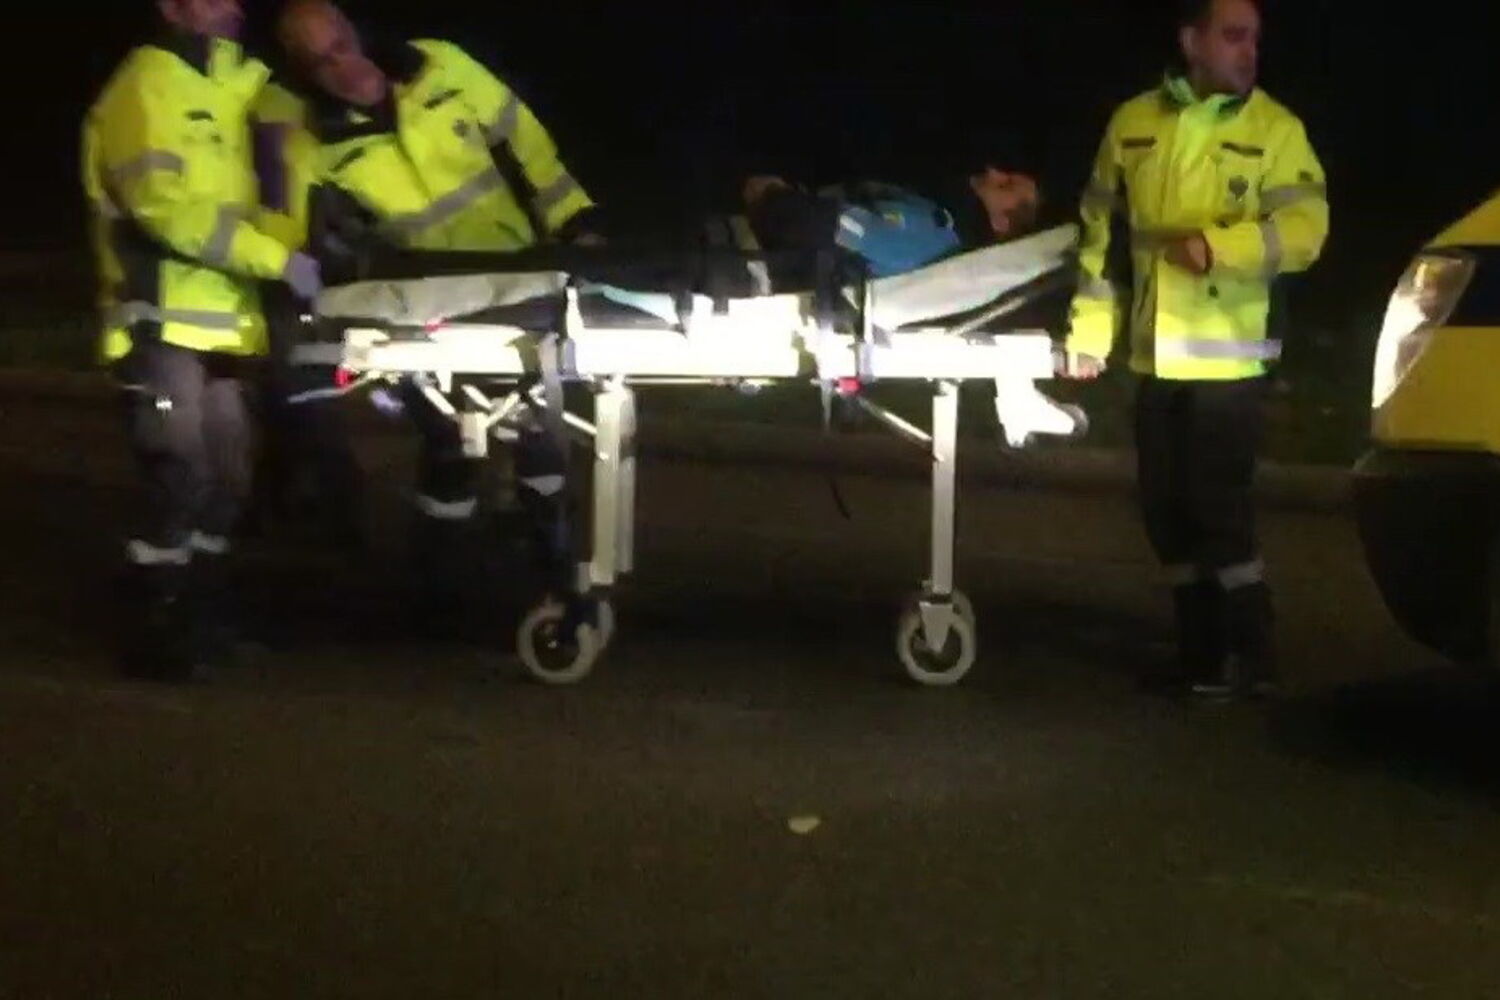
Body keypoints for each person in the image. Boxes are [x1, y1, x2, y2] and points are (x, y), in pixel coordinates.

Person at [273, 0, 604, 620]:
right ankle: (440, 584)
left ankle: (549, 563)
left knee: (536, 433)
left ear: (356, 30)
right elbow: (302, 228)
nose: (341, 66)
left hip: (515, 281)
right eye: (319, 62)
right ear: (303, 73)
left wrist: (576, 221)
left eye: (340, 45)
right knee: (448, 441)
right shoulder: (313, 141)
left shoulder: (440, 65)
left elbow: (527, 144)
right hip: (423, 305)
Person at [1060, 0, 1328, 700]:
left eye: (1254, 40)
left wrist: (1219, 247)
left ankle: (1255, 655)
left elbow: (1306, 229)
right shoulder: (1133, 123)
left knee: (1219, 512)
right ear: (1191, 41)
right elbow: (1100, 239)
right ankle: (1201, 658)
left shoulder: (1276, 130)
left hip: (1229, 358)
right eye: (1233, 37)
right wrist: (1088, 335)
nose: (1249, 52)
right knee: (1164, 511)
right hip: (1155, 356)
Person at [81, 0, 322, 682]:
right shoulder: (146, 85)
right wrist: (276, 261)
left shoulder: (242, 88)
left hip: (229, 321)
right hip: (159, 318)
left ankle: (205, 615)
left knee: (229, 481)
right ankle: (156, 625)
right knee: (179, 476)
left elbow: (299, 161)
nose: (232, 7)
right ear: (171, 7)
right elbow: (163, 207)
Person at [739, 166, 1043, 287]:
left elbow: (820, 225)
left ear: (1000, 222)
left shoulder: (932, 237)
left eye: (1004, 185)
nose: (992, 171)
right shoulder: (938, 220)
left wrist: (769, 195)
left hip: (756, 261)